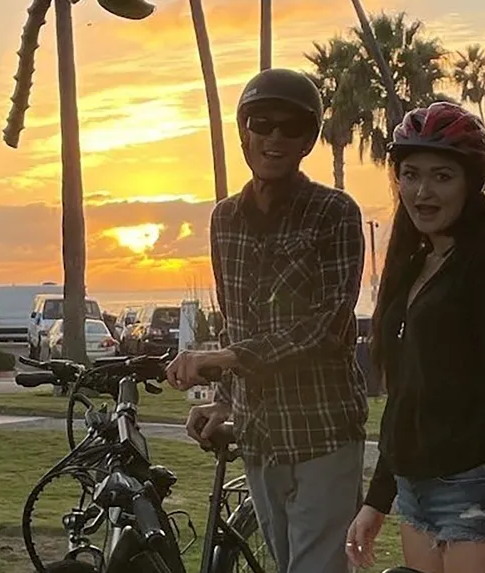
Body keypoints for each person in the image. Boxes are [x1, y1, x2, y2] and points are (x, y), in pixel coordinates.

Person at [165, 68, 368, 573]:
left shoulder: (333, 213)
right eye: (262, 122)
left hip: (323, 431)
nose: (274, 137)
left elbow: (329, 326)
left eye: (292, 127)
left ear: (308, 141)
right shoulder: (224, 220)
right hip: (259, 436)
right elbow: (238, 320)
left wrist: (226, 357)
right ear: (244, 131)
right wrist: (224, 400)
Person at [345, 101, 485, 573]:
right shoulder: (414, 263)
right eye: (410, 174)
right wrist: (378, 500)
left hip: (473, 491)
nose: (422, 191)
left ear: (471, 183)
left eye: (442, 176)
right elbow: (404, 396)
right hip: (415, 492)